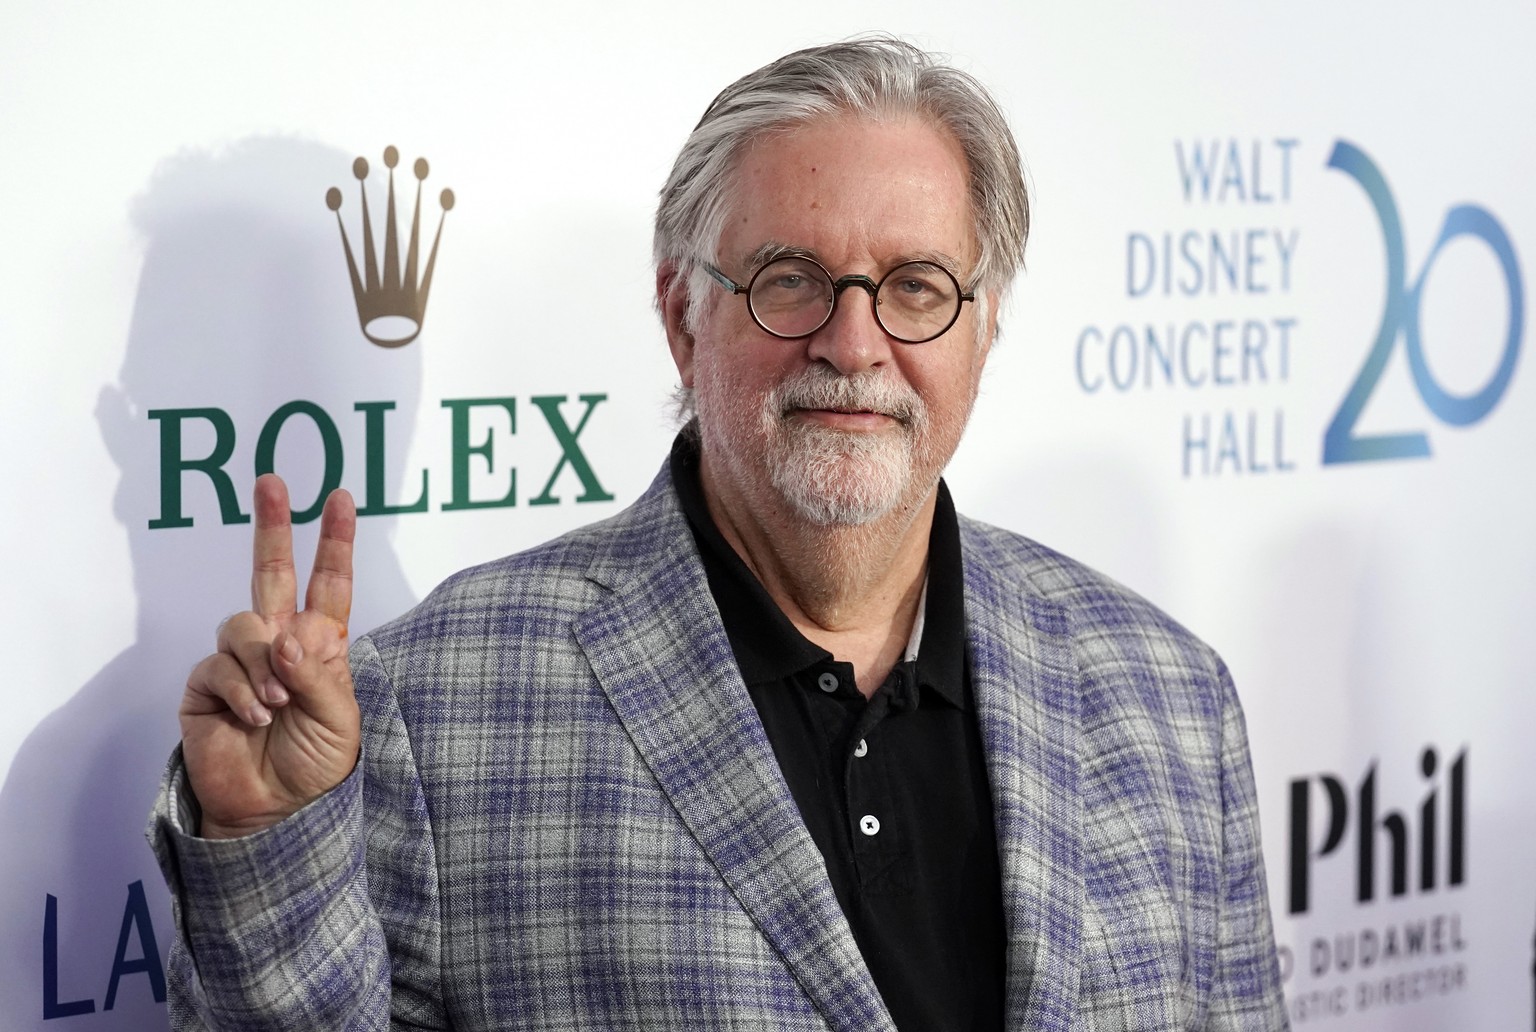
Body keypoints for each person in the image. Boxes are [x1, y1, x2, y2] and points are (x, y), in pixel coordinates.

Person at [149, 38, 1289, 1031]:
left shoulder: (1169, 694)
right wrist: (268, 843)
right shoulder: (432, 705)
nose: (853, 341)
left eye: (917, 286)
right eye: (790, 280)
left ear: (985, 327)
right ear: (681, 316)